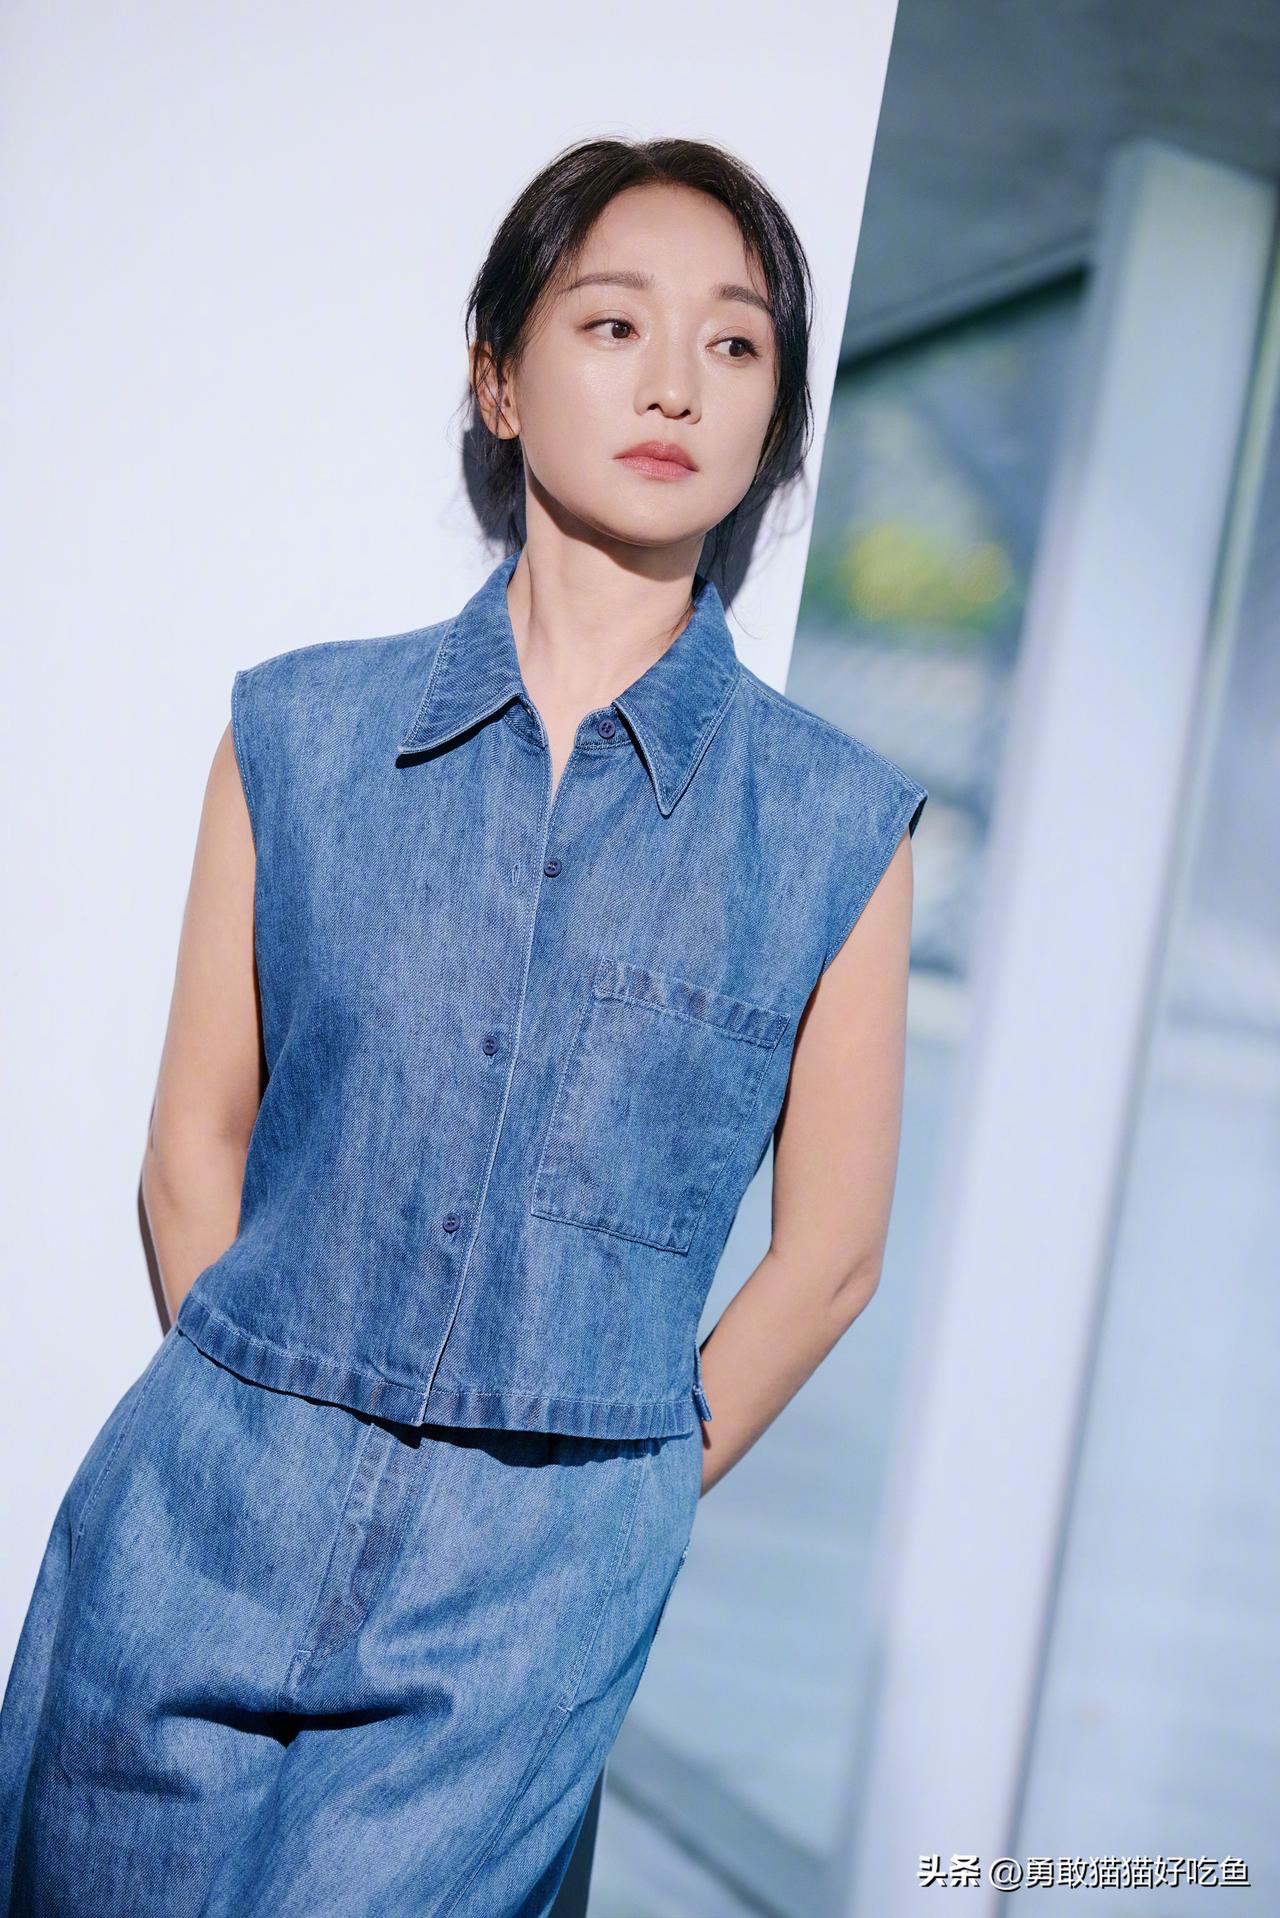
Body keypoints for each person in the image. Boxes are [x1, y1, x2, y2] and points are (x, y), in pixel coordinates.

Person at [0, 135, 927, 1915]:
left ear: (775, 417)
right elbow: (193, 1144)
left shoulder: (832, 824)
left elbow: (830, 1257)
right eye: (614, 323)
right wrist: (268, 1414)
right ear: (498, 378)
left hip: (525, 1609)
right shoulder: (297, 734)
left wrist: (610, 1507)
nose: (676, 383)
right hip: (195, 1533)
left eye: (736, 343)